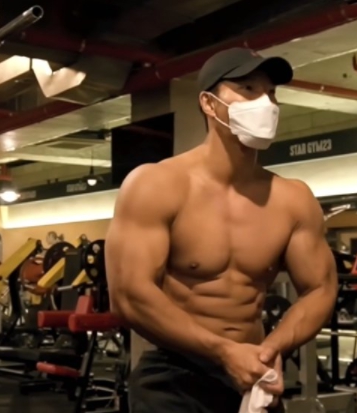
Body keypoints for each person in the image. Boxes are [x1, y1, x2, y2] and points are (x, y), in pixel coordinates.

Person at [105, 47, 338, 413]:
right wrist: (224, 351)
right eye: (247, 89)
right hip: (175, 376)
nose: (265, 103)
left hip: (254, 370)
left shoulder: (293, 199)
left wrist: (273, 348)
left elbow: (320, 287)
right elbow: (129, 295)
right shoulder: (156, 185)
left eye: (271, 92)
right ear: (209, 104)